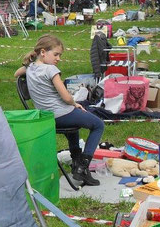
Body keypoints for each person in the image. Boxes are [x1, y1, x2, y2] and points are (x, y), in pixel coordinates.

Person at [14, 35, 104, 186]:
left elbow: (16, 74)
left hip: (45, 116)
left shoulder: (31, 67)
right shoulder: (51, 70)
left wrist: (29, 65)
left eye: (60, 55)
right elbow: (66, 97)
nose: (58, 58)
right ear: (43, 52)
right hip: (60, 114)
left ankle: (76, 162)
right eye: (56, 54)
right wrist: (75, 103)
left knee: (75, 119)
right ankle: (82, 165)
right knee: (98, 125)